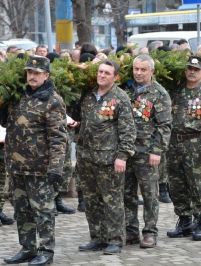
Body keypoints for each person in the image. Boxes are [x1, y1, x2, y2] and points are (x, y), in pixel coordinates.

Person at [0, 55, 68, 265]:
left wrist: (55, 167)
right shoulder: (19, 96)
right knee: (22, 210)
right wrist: (2, 105)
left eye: (36, 73)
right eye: (29, 72)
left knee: (44, 212)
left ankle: (46, 251)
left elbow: (58, 137)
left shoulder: (53, 101)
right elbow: (4, 123)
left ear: (46, 75)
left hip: (40, 168)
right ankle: (28, 248)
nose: (32, 76)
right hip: (17, 166)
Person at [77, 59, 136, 254]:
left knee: (112, 201)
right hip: (87, 158)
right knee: (91, 201)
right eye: (100, 72)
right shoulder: (89, 96)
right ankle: (97, 237)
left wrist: (122, 156)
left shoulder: (120, 98)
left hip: (109, 160)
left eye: (107, 73)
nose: (102, 75)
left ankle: (115, 239)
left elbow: (128, 131)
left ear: (115, 77)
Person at [166, 56, 201, 241]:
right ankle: (184, 221)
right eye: (189, 68)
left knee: (198, 184)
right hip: (174, 144)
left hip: (195, 144)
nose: (192, 71)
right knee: (176, 185)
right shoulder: (175, 93)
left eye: (196, 69)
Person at [123, 54, 172, 248]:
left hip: (147, 152)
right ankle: (130, 231)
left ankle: (150, 232)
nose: (138, 73)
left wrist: (157, 151)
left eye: (143, 69)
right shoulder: (126, 90)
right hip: (127, 151)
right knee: (127, 193)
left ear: (151, 71)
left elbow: (164, 125)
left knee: (150, 193)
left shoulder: (159, 94)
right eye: (136, 69)